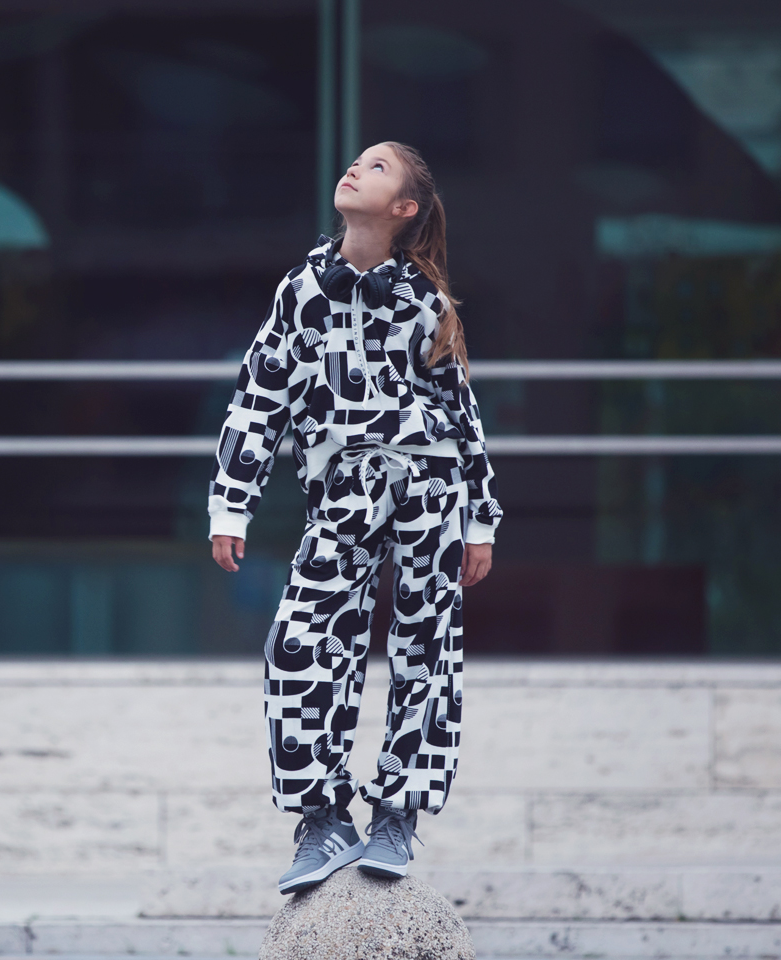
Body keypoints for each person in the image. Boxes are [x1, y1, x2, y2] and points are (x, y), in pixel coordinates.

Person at [208, 142, 502, 894]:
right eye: (357, 161)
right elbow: (258, 396)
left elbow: (461, 410)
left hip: (429, 484)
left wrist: (480, 518)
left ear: (403, 208)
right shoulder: (302, 289)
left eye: (376, 168)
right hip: (343, 488)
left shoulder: (425, 299)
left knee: (425, 648)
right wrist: (232, 501)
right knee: (301, 643)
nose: (354, 169)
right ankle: (323, 817)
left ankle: (398, 813)